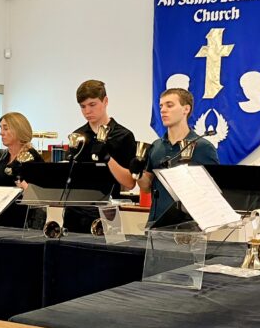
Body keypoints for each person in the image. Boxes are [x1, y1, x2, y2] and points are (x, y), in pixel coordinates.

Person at [136, 88, 218, 225]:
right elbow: (146, 187)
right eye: (161, 106)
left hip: (189, 226)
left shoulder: (203, 147)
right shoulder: (156, 147)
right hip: (156, 223)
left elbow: (213, 191)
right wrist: (138, 173)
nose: (162, 110)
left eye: (169, 105)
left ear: (186, 109)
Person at [64, 80, 136, 233]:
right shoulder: (77, 136)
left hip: (108, 211)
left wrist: (108, 159)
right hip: (75, 211)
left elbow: (130, 183)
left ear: (105, 101)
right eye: (82, 107)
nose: (87, 111)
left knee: (107, 255)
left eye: (92, 104)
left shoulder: (123, 136)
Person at [0, 112, 43, 187]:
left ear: (19, 130)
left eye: (5, 128)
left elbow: (36, 192)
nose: (1, 133)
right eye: (1, 128)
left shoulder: (31, 158)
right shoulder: (0, 156)